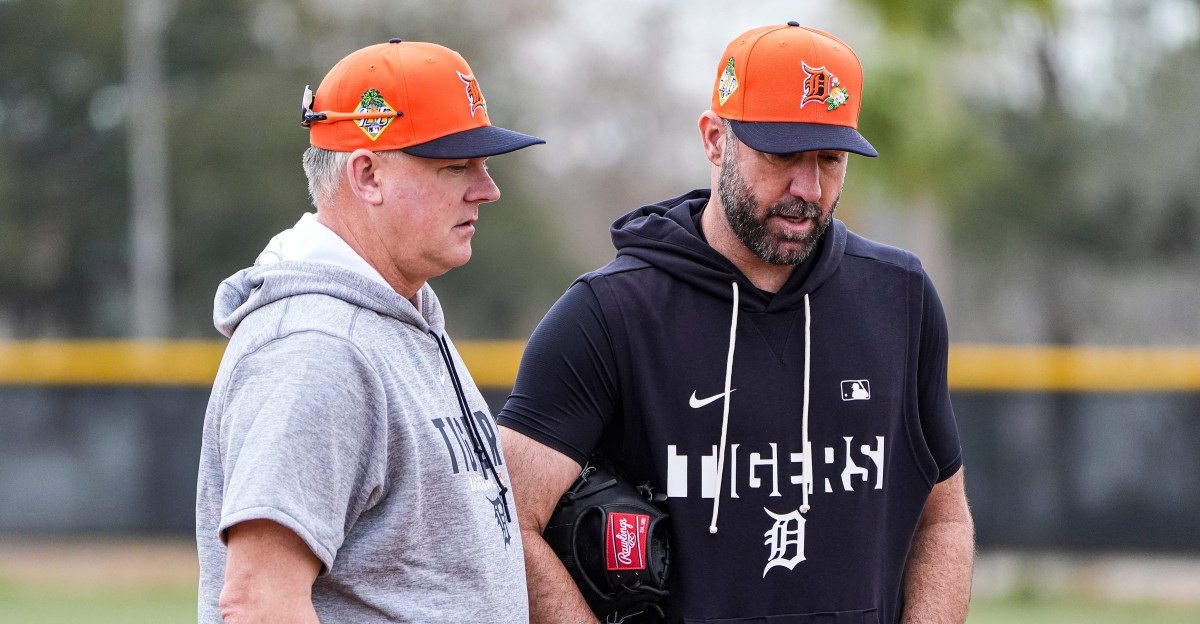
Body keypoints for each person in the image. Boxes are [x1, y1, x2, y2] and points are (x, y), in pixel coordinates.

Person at [498, 22, 974, 623]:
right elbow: (505, 517)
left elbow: (944, 516)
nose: (809, 187)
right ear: (715, 139)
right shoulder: (609, 314)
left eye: (830, 159)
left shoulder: (900, 297)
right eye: (781, 153)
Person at [195, 38, 544, 623]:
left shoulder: (400, 315)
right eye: (455, 165)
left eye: (483, 165)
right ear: (367, 174)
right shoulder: (316, 346)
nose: (487, 188)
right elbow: (258, 602)